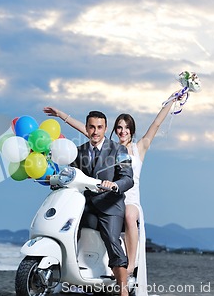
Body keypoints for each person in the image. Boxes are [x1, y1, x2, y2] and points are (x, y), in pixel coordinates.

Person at [43, 92, 181, 296]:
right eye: (120, 127)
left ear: (131, 130)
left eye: (126, 128)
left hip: (127, 195)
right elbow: (85, 130)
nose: (123, 131)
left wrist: (173, 101)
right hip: (100, 195)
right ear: (114, 130)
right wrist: (61, 115)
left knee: (128, 215)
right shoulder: (103, 144)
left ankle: (129, 266)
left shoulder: (137, 148)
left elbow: (156, 125)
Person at [68, 110, 134, 296]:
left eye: (99, 127)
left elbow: (128, 178)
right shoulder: (78, 151)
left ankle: (123, 289)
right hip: (85, 205)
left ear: (105, 129)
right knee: (67, 230)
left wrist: (114, 185)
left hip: (110, 205)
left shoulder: (119, 150)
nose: (95, 131)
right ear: (87, 128)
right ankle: (69, 277)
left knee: (112, 239)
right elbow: (71, 174)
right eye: (91, 127)